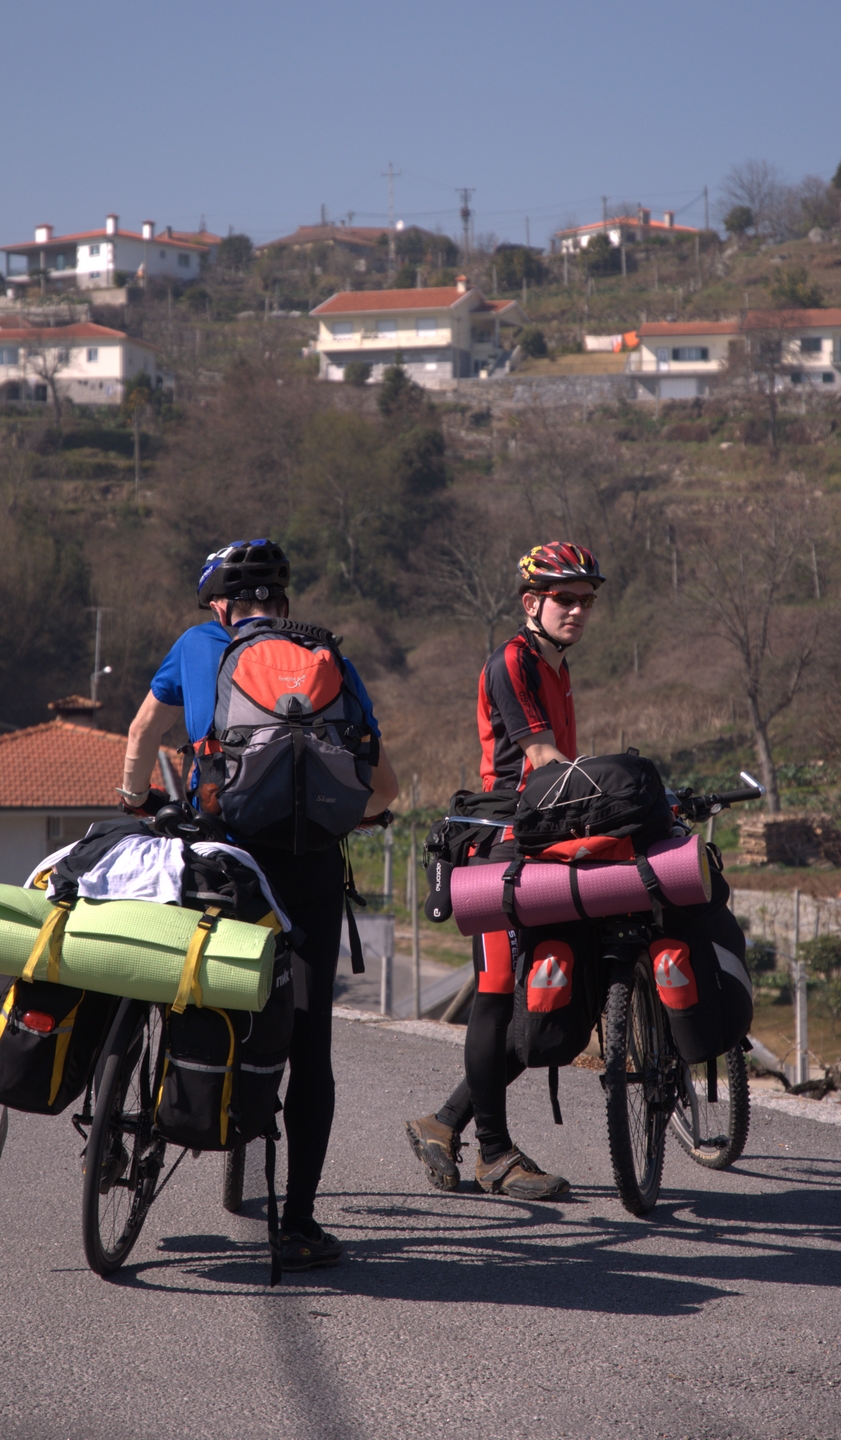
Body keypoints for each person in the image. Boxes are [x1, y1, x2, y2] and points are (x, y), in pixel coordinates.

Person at [121, 539, 398, 1270]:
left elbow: (143, 732)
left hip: (224, 866)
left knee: (177, 985)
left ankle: (139, 1121)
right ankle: (298, 1224)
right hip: (307, 874)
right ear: (283, 603)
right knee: (310, 1047)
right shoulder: (325, 658)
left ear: (220, 606)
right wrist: (354, 817)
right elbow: (385, 785)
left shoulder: (196, 645)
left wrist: (134, 797)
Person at [405, 541, 604, 1199]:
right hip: (501, 846)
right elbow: (543, 759)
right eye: (564, 599)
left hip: (544, 839)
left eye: (586, 601)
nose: (577, 611)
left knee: (543, 1001)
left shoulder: (557, 666)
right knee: (494, 993)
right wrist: (608, 791)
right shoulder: (513, 662)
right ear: (531, 602)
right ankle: (493, 1154)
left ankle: (443, 1123)